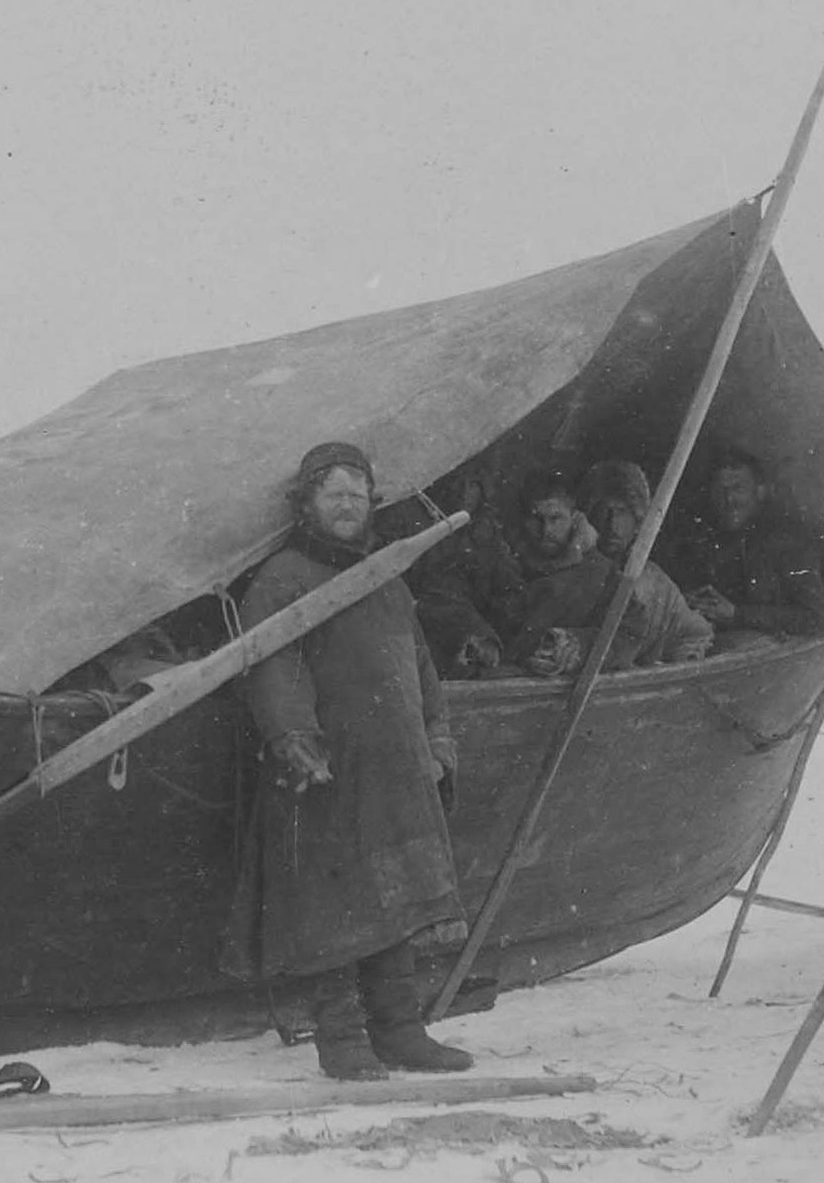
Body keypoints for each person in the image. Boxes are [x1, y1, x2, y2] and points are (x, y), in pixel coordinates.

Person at [222, 441, 473, 1079]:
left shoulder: (386, 573)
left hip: (391, 767)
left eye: (356, 494)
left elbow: (417, 664)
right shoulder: (282, 578)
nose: (346, 505)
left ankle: (400, 1031)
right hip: (326, 771)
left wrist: (435, 738)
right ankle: (342, 1042)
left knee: (394, 900)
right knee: (332, 908)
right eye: (332, 493)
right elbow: (273, 665)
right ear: (306, 503)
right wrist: (295, 740)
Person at [506, 462, 711, 674]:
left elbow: (694, 634)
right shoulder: (568, 566)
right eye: (604, 511)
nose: (612, 524)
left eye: (622, 513)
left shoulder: (656, 582)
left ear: (637, 520)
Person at [663, 448, 824, 646]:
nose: (729, 500)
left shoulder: (788, 544)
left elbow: (815, 618)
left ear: (760, 492)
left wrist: (737, 615)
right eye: (720, 491)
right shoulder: (702, 539)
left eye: (738, 489)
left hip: (768, 652)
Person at [403, 459, 525, 678]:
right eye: (455, 480)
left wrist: (492, 639)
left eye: (473, 484)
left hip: (475, 648)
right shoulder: (416, 528)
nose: (462, 491)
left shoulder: (490, 538)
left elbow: (510, 597)